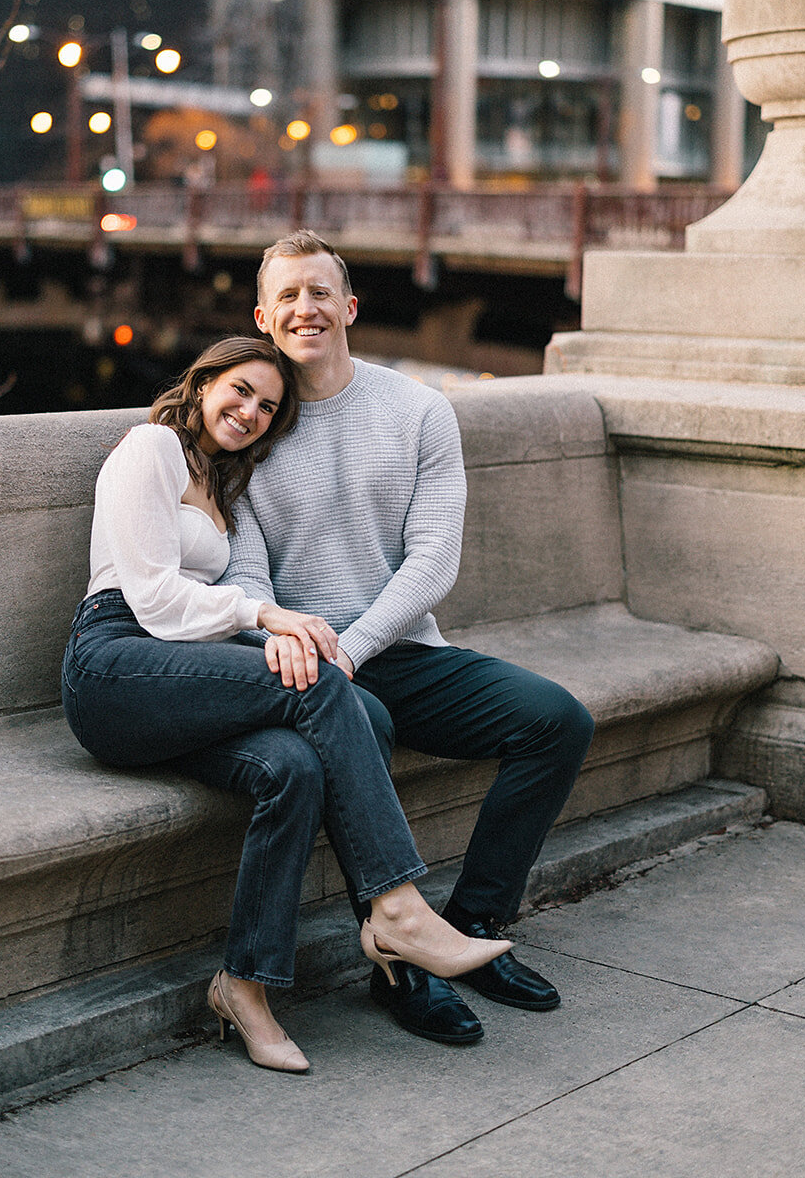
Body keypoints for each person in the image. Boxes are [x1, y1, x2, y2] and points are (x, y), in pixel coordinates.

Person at [61, 335, 511, 1075]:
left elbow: (217, 605)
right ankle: (396, 909)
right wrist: (267, 621)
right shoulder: (150, 449)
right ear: (203, 382)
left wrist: (259, 628)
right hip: (114, 667)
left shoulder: (222, 484)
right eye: (239, 390)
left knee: (295, 766)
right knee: (328, 686)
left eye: (267, 406)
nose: (250, 412)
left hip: (191, 676)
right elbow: (153, 598)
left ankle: (244, 986)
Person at [222, 234, 596, 1047]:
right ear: (263, 318)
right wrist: (310, 649)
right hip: (303, 666)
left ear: (348, 307)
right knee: (364, 725)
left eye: (318, 293)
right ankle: (401, 967)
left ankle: (471, 928)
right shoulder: (247, 422)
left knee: (555, 720)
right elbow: (244, 578)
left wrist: (354, 647)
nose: (303, 309)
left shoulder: (418, 410)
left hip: (397, 649)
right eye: (286, 297)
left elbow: (432, 562)